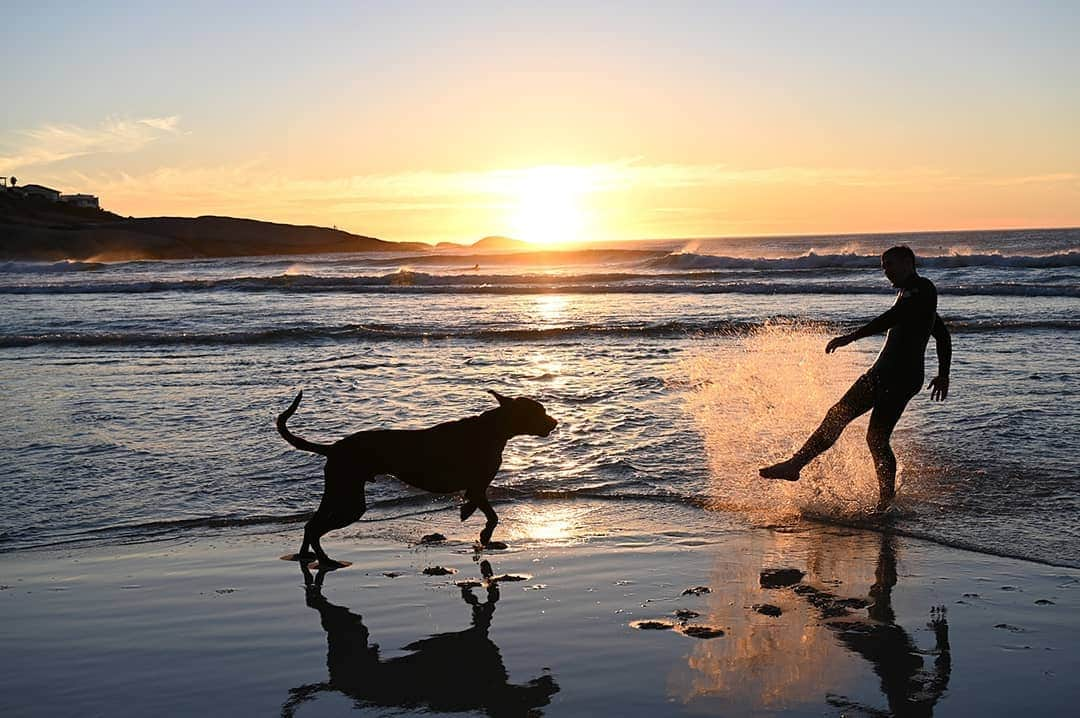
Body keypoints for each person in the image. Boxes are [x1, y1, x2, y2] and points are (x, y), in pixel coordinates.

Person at [759, 245, 951, 512]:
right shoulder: (912, 296)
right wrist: (943, 374)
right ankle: (797, 466)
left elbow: (892, 318)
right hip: (887, 373)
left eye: (890, 264)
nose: (886, 271)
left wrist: (851, 337)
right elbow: (942, 334)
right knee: (845, 419)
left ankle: (884, 500)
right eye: (883, 266)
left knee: (872, 435)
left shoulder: (923, 289)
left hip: (899, 375)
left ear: (909, 262)